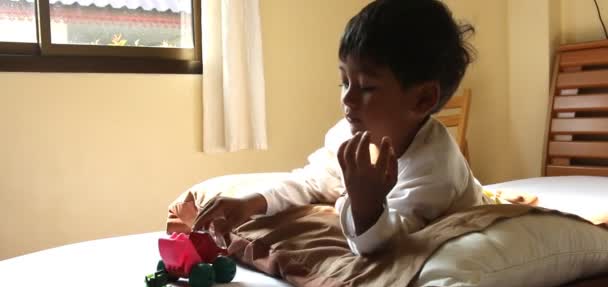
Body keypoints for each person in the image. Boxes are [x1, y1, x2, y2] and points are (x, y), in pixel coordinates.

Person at [193, 0, 486, 256]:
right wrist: (252, 203)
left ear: (422, 99)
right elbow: (313, 181)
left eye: (367, 87)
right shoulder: (349, 133)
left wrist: (365, 206)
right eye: (344, 81)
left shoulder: (434, 171)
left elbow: (385, 245)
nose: (347, 97)